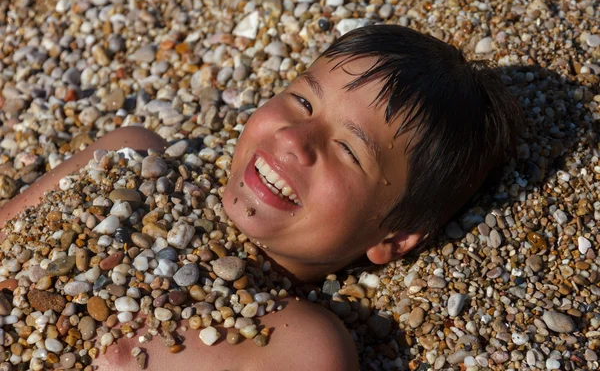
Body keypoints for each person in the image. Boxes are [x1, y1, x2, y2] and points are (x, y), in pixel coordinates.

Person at [0, 25, 522, 370]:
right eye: (300, 101)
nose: (295, 138)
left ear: (397, 236)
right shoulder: (127, 158)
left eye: (348, 150)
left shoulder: (300, 347)